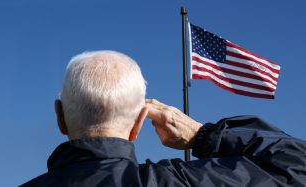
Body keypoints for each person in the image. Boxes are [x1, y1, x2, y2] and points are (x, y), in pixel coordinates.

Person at [20, 51, 306, 187]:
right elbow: (296, 164)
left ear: (60, 117)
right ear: (139, 123)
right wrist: (202, 135)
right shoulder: (179, 182)